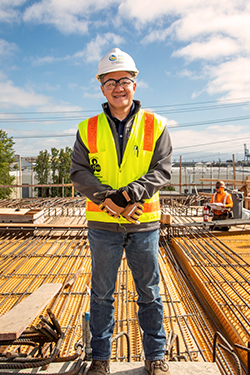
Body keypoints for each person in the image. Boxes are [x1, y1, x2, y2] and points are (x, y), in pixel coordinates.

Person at [70, 47, 172, 375]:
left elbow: (161, 169)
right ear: (101, 87)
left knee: (150, 293)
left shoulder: (156, 125)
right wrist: (106, 198)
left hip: (143, 224)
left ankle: (156, 355)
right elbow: (79, 172)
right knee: (101, 294)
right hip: (102, 225)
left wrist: (129, 195)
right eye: (110, 81)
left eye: (124, 80)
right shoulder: (87, 128)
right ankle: (100, 358)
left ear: (135, 85)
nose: (118, 87)